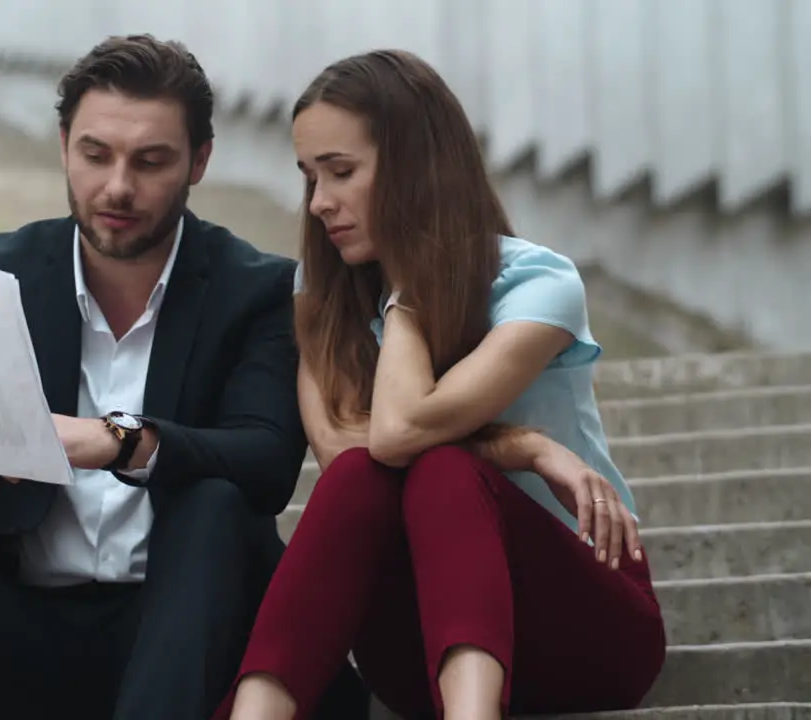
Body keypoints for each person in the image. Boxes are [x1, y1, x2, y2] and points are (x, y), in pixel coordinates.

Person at [0, 34, 372, 720]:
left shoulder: (257, 289)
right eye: (95, 155)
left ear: (200, 161)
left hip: (188, 632)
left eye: (151, 161)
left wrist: (117, 439)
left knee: (214, 503)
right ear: (64, 142)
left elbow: (267, 459)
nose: (118, 186)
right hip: (21, 636)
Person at [215, 50, 668, 720]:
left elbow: (400, 432)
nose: (318, 203)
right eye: (310, 176)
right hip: (418, 649)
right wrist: (525, 447)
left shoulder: (537, 283)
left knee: (445, 470)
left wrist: (409, 297)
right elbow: (352, 457)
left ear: (415, 166)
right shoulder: (321, 295)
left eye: (341, 172)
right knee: (378, 476)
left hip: (587, 622)